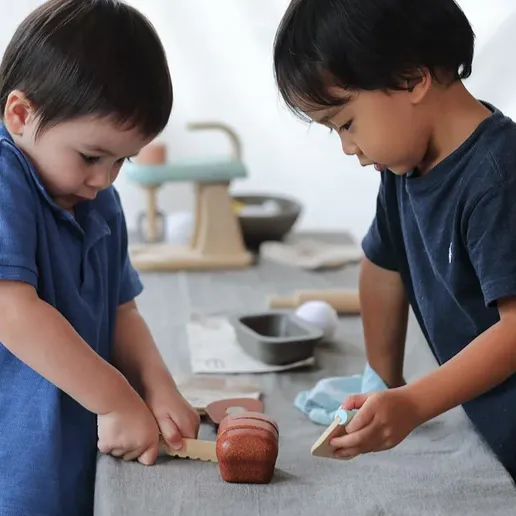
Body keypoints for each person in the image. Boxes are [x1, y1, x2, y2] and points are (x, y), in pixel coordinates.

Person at [273, 0, 516, 481]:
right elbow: (382, 267)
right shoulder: (404, 170)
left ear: (411, 78)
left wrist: (413, 403)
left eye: (346, 124)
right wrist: (383, 379)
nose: (349, 148)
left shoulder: (499, 178)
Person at [0, 1, 200, 514]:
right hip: (15, 471)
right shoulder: (4, 178)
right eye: (91, 157)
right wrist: (115, 398)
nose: (105, 179)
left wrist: (158, 387)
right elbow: (11, 311)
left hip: (74, 457)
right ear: (21, 115)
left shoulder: (97, 199)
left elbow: (120, 311)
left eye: (122, 160)